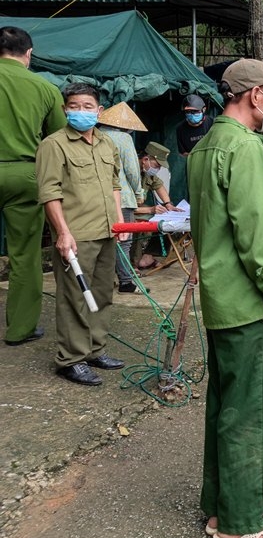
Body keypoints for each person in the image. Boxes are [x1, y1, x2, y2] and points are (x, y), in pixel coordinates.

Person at [187, 58, 263, 538]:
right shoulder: (244, 148)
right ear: (254, 95)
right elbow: (258, 236)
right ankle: (246, 520)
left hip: (221, 301)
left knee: (227, 408)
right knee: (253, 414)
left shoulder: (205, 145)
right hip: (251, 304)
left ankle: (219, 508)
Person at [36, 83, 128, 386]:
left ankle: (94, 349)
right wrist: (62, 233)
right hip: (76, 234)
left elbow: (115, 185)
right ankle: (71, 358)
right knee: (74, 296)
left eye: (88, 106)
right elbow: (49, 192)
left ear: (99, 111)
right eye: (74, 106)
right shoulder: (54, 144)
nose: (81, 112)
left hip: (105, 232)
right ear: (65, 110)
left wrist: (119, 223)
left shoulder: (106, 144)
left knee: (102, 293)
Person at [0, 26, 67, 346]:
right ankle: (20, 329)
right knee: (24, 256)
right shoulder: (44, 87)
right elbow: (59, 139)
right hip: (24, 177)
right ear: (28, 54)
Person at [97, 102, 147, 293]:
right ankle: (126, 281)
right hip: (122, 197)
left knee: (102, 240)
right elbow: (132, 170)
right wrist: (139, 192)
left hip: (97, 196)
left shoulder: (95, 135)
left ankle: (103, 280)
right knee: (123, 240)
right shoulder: (124, 138)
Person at [135, 142, 179, 271]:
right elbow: (123, 205)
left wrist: (168, 204)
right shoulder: (131, 171)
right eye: (157, 165)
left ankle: (148, 256)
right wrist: (150, 209)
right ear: (145, 159)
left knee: (167, 221)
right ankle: (133, 263)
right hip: (125, 211)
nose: (158, 169)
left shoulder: (147, 172)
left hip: (140, 208)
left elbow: (158, 185)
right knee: (136, 224)